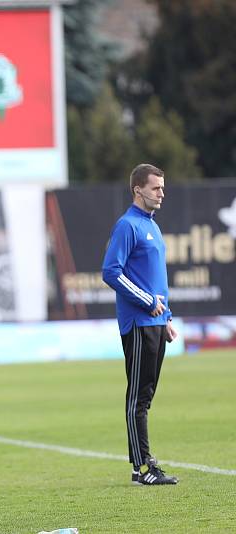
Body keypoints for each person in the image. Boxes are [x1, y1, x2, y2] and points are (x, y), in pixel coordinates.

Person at [102, 163, 179, 485]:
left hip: (157, 322)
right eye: (155, 188)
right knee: (138, 398)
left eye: (162, 188)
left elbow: (154, 278)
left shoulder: (152, 226)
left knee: (145, 396)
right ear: (138, 190)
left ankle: (145, 463)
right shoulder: (128, 225)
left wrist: (167, 316)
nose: (161, 193)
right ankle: (141, 468)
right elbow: (111, 272)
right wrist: (148, 303)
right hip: (138, 322)